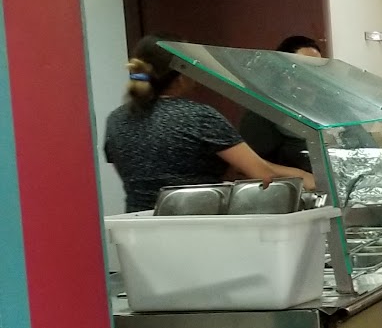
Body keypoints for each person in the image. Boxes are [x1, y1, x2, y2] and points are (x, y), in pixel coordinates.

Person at [104, 35, 314, 213]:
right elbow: (262, 172)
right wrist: (305, 176)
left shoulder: (116, 119)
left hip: (137, 229)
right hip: (197, 227)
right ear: (181, 73)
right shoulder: (198, 117)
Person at [241, 34, 326, 169]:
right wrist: (302, 176)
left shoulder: (328, 106)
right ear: (283, 73)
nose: (311, 76)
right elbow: (249, 166)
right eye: (303, 69)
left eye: (316, 69)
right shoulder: (264, 114)